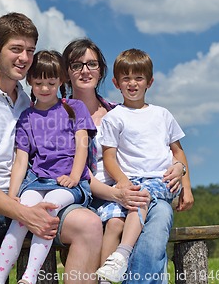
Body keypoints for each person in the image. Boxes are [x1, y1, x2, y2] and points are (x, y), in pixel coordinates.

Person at [0, 13, 104, 284]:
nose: (24, 58)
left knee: (89, 225)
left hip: (33, 193)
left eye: (30, 50)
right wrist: (23, 212)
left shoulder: (28, 100)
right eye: (16, 49)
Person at [62, 39, 194, 284]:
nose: (85, 70)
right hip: (97, 196)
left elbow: (167, 150)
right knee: (134, 218)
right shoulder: (59, 116)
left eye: (91, 64)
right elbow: (76, 173)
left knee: (160, 215)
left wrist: (180, 169)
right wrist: (118, 192)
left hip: (137, 190)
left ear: (101, 70)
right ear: (65, 72)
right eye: (76, 64)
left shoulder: (116, 110)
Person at [0, 50, 96, 284]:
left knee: (48, 211)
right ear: (29, 81)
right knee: (23, 216)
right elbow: (21, 160)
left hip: (69, 184)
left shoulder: (74, 108)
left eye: (51, 82)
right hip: (37, 180)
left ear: (61, 81)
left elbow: (82, 146)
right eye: (38, 83)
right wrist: (11, 197)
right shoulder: (27, 118)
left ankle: (28, 278)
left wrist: (74, 176)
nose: (45, 88)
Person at [94, 48, 188, 282]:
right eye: (126, 78)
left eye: (138, 78)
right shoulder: (114, 117)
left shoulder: (162, 114)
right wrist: (123, 182)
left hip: (161, 181)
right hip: (131, 183)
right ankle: (111, 271)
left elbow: (178, 152)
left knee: (143, 197)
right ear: (116, 83)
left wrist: (187, 185)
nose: (132, 83)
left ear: (150, 82)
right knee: (124, 221)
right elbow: (109, 158)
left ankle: (121, 255)